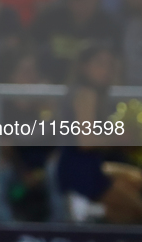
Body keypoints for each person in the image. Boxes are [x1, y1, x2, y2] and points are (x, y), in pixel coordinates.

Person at [57, 45, 142, 224]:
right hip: (82, 175)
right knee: (135, 209)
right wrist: (118, 139)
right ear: (83, 66)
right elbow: (86, 141)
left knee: (136, 181)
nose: (106, 70)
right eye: (100, 64)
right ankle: (91, 211)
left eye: (110, 65)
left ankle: (98, 214)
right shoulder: (86, 93)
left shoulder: (96, 95)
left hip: (93, 168)